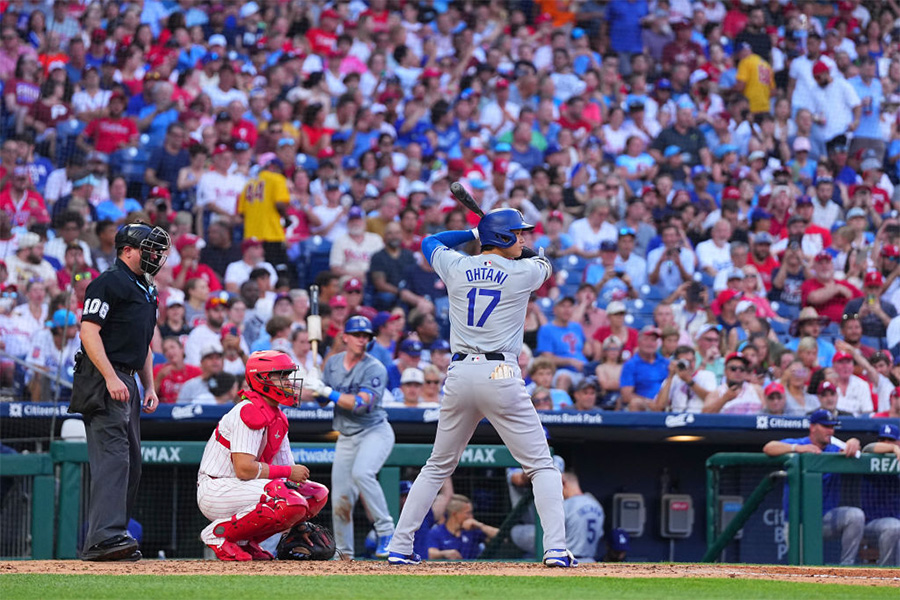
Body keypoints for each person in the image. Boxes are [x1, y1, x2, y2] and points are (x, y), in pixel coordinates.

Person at [386, 208, 575, 567]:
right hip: (500, 373)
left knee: (437, 466)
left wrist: (475, 230)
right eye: (517, 234)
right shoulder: (523, 271)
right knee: (542, 466)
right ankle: (555, 550)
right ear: (502, 238)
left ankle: (399, 545)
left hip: (458, 374)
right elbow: (543, 263)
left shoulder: (456, 266)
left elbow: (430, 242)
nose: (523, 239)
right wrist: (506, 241)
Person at [68, 222, 170, 561]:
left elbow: (142, 343)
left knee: (131, 462)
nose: (156, 255)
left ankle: (113, 536)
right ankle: (103, 537)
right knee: (113, 458)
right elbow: (89, 332)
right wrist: (111, 377)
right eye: (149, 248)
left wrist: (150, 384)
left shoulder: (145, 287)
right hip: (104, 377)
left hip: (128, 378)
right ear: (128, 250)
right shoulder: (108, 281)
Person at [196, 350, 329, 560]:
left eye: (288, 376)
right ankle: (217, 535)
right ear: (262, 379)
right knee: (282, 495)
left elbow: (290, 480)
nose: (288, 382)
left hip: (242, 489)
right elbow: (244, 468)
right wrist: (288, 474)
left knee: (314, 494)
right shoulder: (248, 411)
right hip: (217, 489)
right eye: (282, 376)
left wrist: (299, 520)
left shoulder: (277, 417)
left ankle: (246, 542)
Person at [302, 316, 394, 559]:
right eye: (357, 335)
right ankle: (344, 554)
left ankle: (387, 531)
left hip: (374, 431)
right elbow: (323, 401)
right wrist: (315, 384)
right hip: (346, 436)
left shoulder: (375, 368)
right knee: (340, 499)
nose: (361, 340)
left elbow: (361, 405)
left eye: (366, 336)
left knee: (363, 473)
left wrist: (326, 390)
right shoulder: (332, 364)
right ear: (345, 337)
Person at [762, 409, 864, 566]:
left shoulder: (834, 446)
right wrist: (797, 449)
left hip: (826, 519)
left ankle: (847, 568)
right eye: (825, 426)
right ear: (812, 427)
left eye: (832, 427)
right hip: (799, 522)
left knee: (855, 516)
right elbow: (769, 447)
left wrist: (854, 442)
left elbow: (858, 451)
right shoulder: (801, 443)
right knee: (803, 569)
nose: (830, 431)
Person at [860, 424, 900, 567]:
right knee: (894, 527)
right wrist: (894, 448)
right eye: (882, 439)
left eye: (891, 440)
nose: (886, 443)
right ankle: (887, 575)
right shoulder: (871, 456)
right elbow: (867, 448)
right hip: (872, 527)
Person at [427, 493, 499, 560]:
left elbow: (501, 537)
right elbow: (430, 553)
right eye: (468, 513)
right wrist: (444, 554)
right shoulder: (437, 532)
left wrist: (480, 526)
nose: (471, 516)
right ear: (455, 514)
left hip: (472, 571)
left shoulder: (473, 529)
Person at [652, 345, 715, 413]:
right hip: (677, 419)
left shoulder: (706, 375)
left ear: (695, 360)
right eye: (685, 361)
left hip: (699, 418)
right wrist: (670, 377)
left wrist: (690, 381)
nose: (689, 365)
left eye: (692, 361)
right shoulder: (673, 379)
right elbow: (659, 407)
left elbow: (712, 400)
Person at [561, 471, 605, 564]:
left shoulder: (567, 505)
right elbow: (600, 534)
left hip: (568, 561)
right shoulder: (596, 504)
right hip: (590, 561)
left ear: (563, 483)